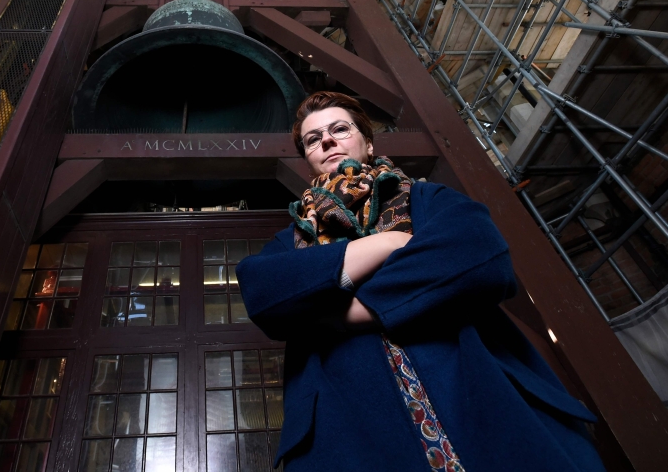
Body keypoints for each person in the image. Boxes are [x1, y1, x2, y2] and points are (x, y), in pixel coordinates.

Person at [236, 92, 606, 472]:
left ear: (368, 141)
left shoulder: (425, 199)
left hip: (484, 399)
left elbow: (480, 256)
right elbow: (263, 293)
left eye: (340, 129)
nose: (327, 140)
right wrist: (390, 243)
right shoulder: (292, 239)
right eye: (313, 139)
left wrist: (340, 313)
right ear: (309, 158)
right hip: (351, 431)